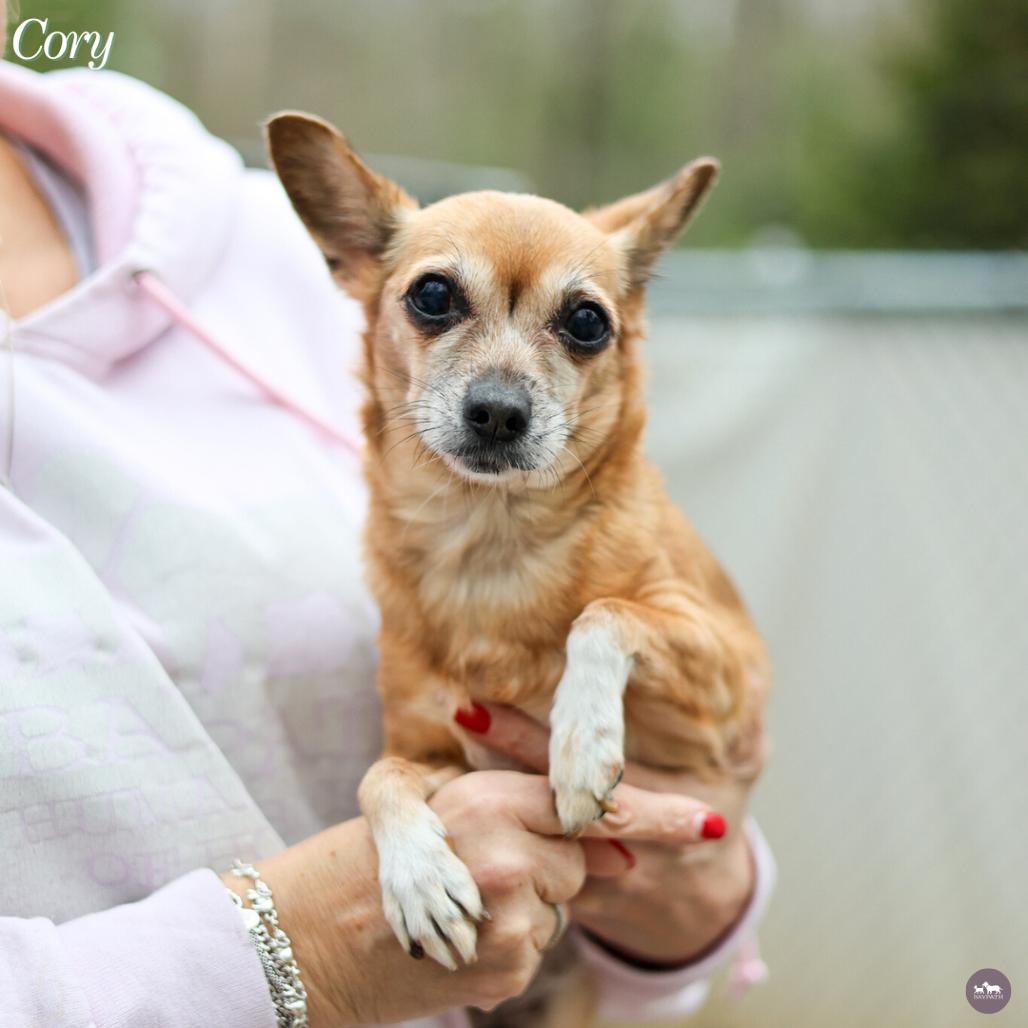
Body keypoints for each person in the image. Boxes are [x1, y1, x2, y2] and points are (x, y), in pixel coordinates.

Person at [0, 6, 774, 1025]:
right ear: (362, 271)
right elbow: (406, 785)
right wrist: (297, 949)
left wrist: (688, 909)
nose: (499, 390)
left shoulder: (238, 237)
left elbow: (686, 877)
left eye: (577, 325)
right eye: (437, 304)